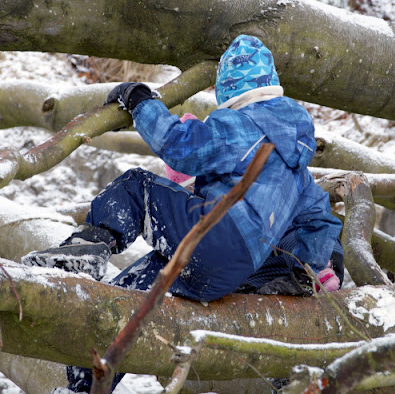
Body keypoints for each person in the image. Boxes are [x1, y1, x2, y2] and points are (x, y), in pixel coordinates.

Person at [23, 34, 344, 392]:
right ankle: (84, 381)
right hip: (235, 271)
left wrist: (141, 101)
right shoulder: (297, 165)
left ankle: (80, 257)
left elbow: (182, 146)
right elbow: (318, 220)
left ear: (229, 86)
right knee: (143, 286)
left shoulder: (246, 123)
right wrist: (318, 269)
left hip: (214, 236)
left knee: (136, 187)